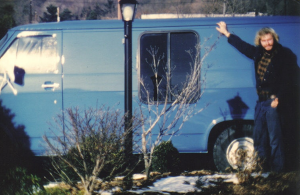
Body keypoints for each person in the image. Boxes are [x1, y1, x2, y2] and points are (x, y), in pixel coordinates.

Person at [216, 21, 299, 172]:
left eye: (270, 39)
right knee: (259, 137)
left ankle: (277, 171)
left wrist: (278, 98)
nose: (267, 43)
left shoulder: (284, 55)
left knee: (275, 139)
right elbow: (242, 46)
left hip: (274, 102)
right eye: (264, 40)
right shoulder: (258, 53)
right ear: (259, 41)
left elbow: (290, 78)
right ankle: (262, 168)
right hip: (261, 103)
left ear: (274, 39)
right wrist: (227, 33)